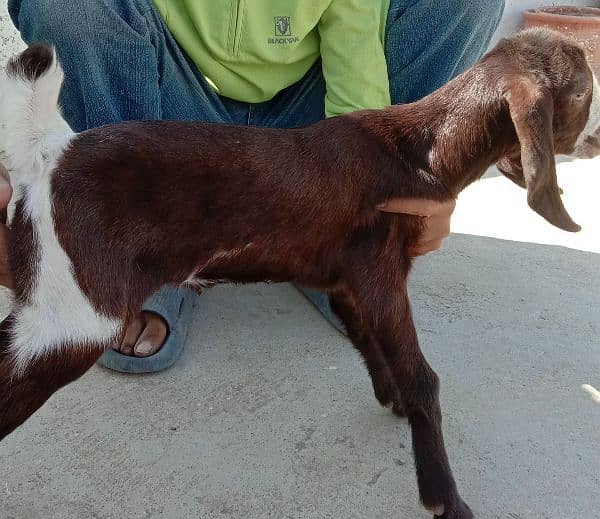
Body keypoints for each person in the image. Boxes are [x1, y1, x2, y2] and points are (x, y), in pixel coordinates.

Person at [2, 0, 504, 373]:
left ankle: (342, 250)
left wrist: (367, 201)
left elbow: (357, 70)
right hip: (168, 118)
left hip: (301, 137)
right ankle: (140, 259)